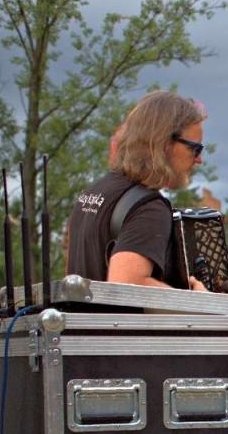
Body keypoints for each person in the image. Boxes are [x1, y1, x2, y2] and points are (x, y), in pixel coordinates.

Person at [65, 91, 208, 289]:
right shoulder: (149, 207)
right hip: (115, 321)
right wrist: (195, 301)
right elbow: (127, 283)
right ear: (164, 144)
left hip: (79, 320)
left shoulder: (93, 193)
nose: (199, 159)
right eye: (195, 148)